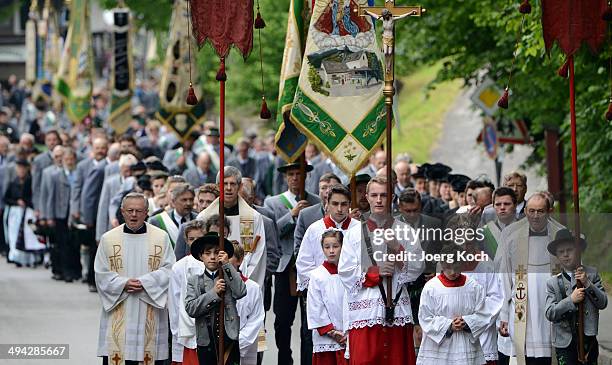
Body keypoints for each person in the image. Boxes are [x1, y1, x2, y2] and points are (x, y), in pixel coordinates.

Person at [338, 176, 424, 365]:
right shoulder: (353, 233)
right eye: (374, 195)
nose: (378, 200)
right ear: (367, 197)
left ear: (392, 197)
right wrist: (374, 272)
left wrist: (398, 248)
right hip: (365, 311)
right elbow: (345, 272)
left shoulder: (405, 230)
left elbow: (418, 266)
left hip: (396, 309)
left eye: (383, 195)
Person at [94, 192, 175, 365]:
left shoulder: (161, 237)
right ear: (122, 212)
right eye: (129, 210)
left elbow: (170, 270)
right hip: (120, 306)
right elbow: (101, 273)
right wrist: (123, 283)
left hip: (150, 308)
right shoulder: (108, 239)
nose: (134, 215)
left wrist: (145, 283)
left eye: (139, 211)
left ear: (146, 212)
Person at [496, 192, 565, 365]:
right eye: (531, 211)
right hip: (521, 305)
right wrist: (503, 314)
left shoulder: (561, 233)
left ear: (549, 211)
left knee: (550, 356)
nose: (535, 216)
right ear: (525, 210)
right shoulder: (511, 234)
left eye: (540, 211)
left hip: (550, 305)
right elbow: (504, 277)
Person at [264, 161, 320, 365]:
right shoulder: (273, 203)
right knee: (283, 320)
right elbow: (273, 232)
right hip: (284, 268)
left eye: (300, 174)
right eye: (292, 174)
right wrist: (292, 215)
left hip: (308, 268)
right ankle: (284, 357)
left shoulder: (315, 201)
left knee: (309, 321)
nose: (296, 178)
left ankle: (307, 359)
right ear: (286, 178)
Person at [417, 245, 489, 365]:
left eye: (457, 267)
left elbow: (483, 314)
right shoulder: (431, 287)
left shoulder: (473, 287)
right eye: (448, 267)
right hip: (439, 348)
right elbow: (425, 317)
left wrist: (466, 322)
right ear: (442, 264)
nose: (453, 272)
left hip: (466, 345)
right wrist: (449, 325)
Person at [544, 229, 607, 365]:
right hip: (564, 344)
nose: (566, 255)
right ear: (557, 256)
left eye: (570, 250)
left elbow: (603, 303)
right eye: (561, 252)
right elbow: (550, 313)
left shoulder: (592, 274)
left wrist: (587, 283)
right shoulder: (553, 283)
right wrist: (570, 300)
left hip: (588, 341)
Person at [198, 166, 267, 287]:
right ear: (218, 186)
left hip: (243, 281)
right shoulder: (204, 218)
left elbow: (258, 255)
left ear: (240, 187)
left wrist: (242, 280)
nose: (228, 188)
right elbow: (200, 253)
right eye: (224, 184)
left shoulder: (254, 217)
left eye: (233, 184)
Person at [184, 233, 247, 365]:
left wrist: (226, 265)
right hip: (206, 341)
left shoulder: (229, 275)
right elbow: (190, 308)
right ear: (201, 257)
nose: (212, 257)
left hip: (229, 338)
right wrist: (214, 294)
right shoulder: (194, 281)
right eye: (207, 253)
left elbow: (241, 291)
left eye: (217, 253)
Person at [307, 229, 349, 365]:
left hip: (349, 337)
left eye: (335, 246)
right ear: (322, 249)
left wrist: (348, 332)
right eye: (327, 247)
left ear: (343, 247)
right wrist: (331, 332)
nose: (331, 251)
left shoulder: (350, 273)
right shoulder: (317, 275)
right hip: (327, 339)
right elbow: (315, 306)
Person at [169, 220, 206, 365]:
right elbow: (174, 302)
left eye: (199, 239)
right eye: (192, 239)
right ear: (186, 240)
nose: (196, 242)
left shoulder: (213, 263)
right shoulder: (179, 267)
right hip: (186, 329)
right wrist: (176, 332)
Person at [45, 147, 80, 282]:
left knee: (74, 243)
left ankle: (75, 270)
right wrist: (49, 216)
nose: (69, 162)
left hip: (74, 213)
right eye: (66, 159)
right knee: (62, 244)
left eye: (71, 159)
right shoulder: (56, 176)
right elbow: (51, 197)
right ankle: (65, 271)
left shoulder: (78, 174)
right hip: (60, 214)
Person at [231, 241, 265, 365]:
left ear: (239, 260)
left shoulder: (252, 288)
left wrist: (238, 342)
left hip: (245, 345)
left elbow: (256, 319)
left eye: (229, 256)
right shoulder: (215, 286)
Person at [481, 187, 517, 258]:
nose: (502, 207)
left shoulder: (526, 228)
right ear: (493, 206)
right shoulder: (484, 232)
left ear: (515, 205)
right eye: (498, 204)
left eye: (507, 204)